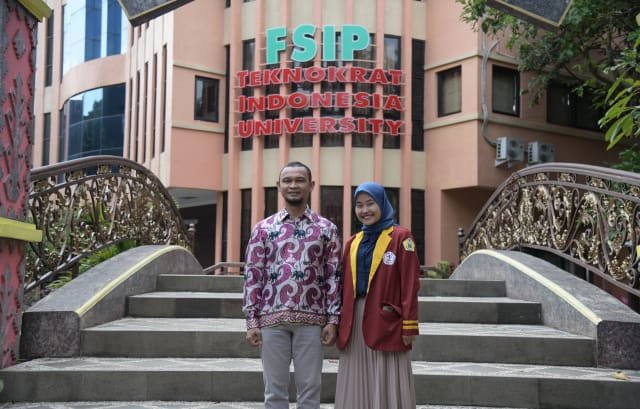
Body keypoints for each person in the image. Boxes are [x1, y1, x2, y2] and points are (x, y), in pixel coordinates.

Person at [242, 161, 342, 409]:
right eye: (287, 180)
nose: (293, 185)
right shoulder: (263, 229)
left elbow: (333, 276)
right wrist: (251, 321)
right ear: (278, 186)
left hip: (313, 321)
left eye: (299, 180)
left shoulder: (327, 229)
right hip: (271, 321)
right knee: (274, 392)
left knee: (310, 391)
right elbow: (253, 275)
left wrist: (333, 319)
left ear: (311, 185)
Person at [334, 181, 420, 409]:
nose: (365, 210)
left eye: (370, 203)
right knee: (356, 373)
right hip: (355, 318)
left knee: (386, 372)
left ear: (382, 203)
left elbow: (410, 284)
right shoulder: (353, 242)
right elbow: (343, 285)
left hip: (387, 319)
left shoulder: (401, 237)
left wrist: (409, 325)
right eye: (359, 205)